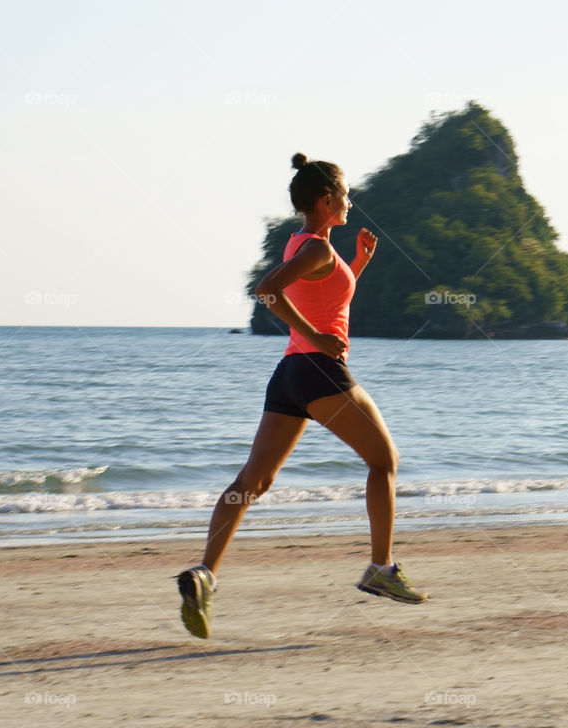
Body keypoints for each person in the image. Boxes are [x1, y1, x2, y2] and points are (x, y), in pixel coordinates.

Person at [176, 153, 428, 639]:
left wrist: (358, 263)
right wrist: (316, 335)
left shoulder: (307, 245)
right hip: (318, 370)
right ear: (327, 199)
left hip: (290, 374)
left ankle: (206, 572)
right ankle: (381, 568)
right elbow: (267, 291)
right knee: (384, 460)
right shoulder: (313, 249)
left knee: (254, 480)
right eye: (346, 195)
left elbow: (323, 293)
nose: (352, 201)